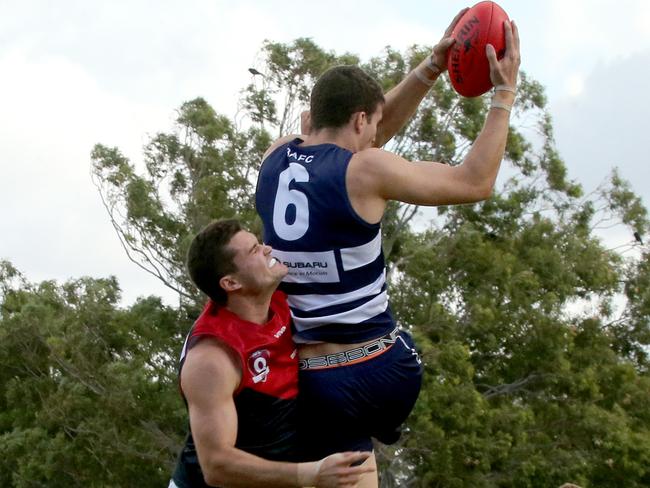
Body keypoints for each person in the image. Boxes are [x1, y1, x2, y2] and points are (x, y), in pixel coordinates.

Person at [255, 10, 521, 486]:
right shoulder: (366, 170)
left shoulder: (275, 157)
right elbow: (475, 182)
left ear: (311, 116)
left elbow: (357, 141)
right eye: (372, 124)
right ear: (360, 121)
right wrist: (504, 95)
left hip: (311, 380)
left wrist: (428, 70)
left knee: (349, 463)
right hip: (378, 368)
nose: (377, 133)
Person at [169, 219, 374, 487]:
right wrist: (310, 474)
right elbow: (217, 466)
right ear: (230, 283)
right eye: (254, 250)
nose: (267, 250)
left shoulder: (281, 298)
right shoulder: (213, 358)